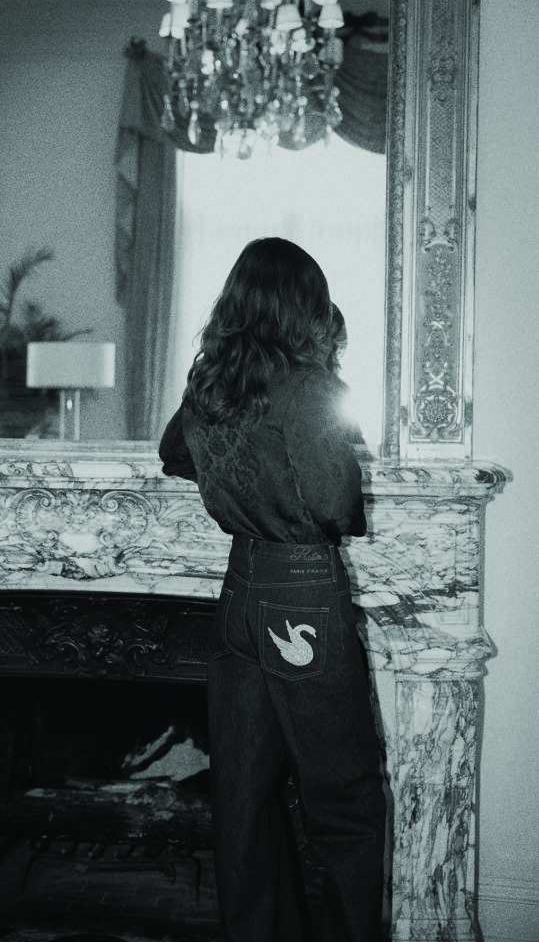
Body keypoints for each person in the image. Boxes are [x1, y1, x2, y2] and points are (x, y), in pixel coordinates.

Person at [159, 237, 385, 942]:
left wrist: (241, 482)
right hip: (301, 594)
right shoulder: (309, 386)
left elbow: (172, 455)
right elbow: (335, 504)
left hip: (239, 592)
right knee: (344, 797)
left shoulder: (210, 385)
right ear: (305, 306)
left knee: (242, 798)